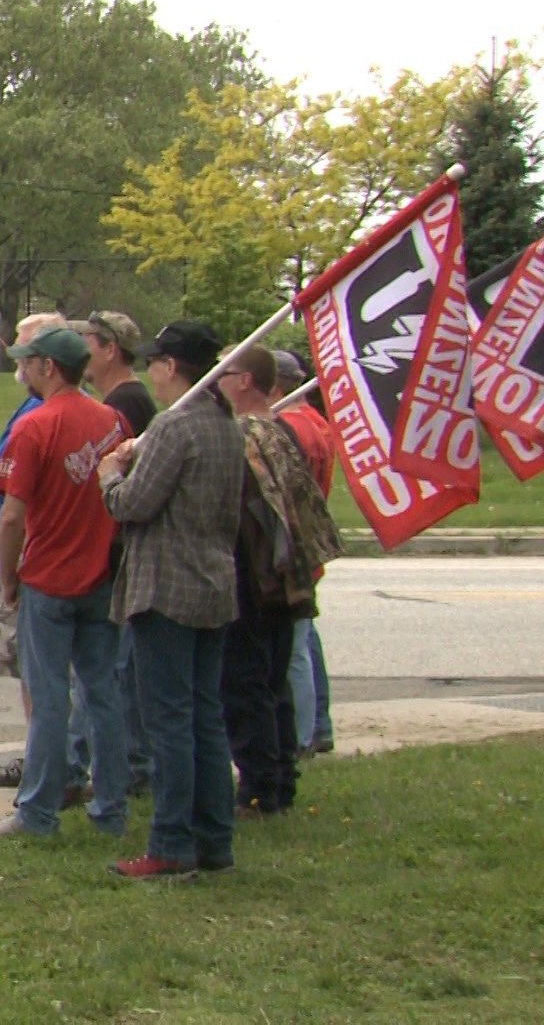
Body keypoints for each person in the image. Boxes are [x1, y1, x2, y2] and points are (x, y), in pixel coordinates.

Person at [97, 320, 245, 878]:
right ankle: (215, 839)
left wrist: (112, 474)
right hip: (214, 581)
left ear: (172, 367)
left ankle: (172, 842)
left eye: (158, 362)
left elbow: (133, 504)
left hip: (166, 588)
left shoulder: (173, 427)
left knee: (169, 722)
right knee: (206, 718)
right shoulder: (227, 426)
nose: (153, 372)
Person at [0, 326, 132, 839]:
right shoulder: (112, 420)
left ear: (49, 367)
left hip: (47, 578)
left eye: (29, 361)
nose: (23, 369)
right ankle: (110, 807)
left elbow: (14, 515)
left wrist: (9, 576)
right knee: (101, 695)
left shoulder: (35, 426)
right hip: (100, 577)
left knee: (47, 701)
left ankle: (37, 812)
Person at [216, 347, 338, 818]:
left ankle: (259, 789)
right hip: (288, 578)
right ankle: (281, 778)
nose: (217, 381)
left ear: (245, 380)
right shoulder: (282, 431)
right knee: (273, 684)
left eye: (224, 373)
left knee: (246, 686)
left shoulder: (247, 436)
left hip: (255, 577)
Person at [0, 312, 59, 791]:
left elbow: (12, 488)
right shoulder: (64, 412)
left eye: (22, 352)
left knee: (33, 669)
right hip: (42, 557)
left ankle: (43, 771)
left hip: (28, 558)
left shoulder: (37, 418)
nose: (13, 360)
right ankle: (49, 762)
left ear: (47, 360)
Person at [69, 310, 158, 792]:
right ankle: (121, 764)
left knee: (114, 672)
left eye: (88, 341)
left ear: (108, 349)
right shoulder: (123, 398)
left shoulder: (127, 404)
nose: (83, 351)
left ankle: (128, 768)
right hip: (112, 555)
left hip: (118, 557)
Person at [272, 350, 337, 756]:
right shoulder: (316, 423)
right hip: (309, 547)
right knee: (307, 639)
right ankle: (319, 724)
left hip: (293, 550)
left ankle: (302, 737)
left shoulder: (288, 428)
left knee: (294, 648)